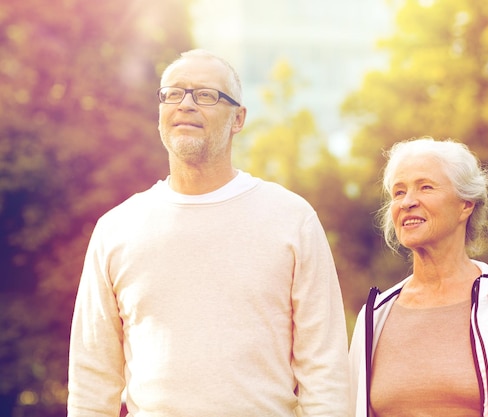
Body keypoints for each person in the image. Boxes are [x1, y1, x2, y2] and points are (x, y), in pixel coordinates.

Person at [67, 49, 350, 417]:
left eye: (205, 95)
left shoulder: (292, 219)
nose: (185, 104)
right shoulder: (117, 227)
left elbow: (324, 369)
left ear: (238, 119)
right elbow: (93, 377)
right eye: (173, 93)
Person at [348, 137, 488, 417]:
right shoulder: (374, 317)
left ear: (465, 205)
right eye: (398, 192)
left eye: (425, 187)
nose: (407, 202)